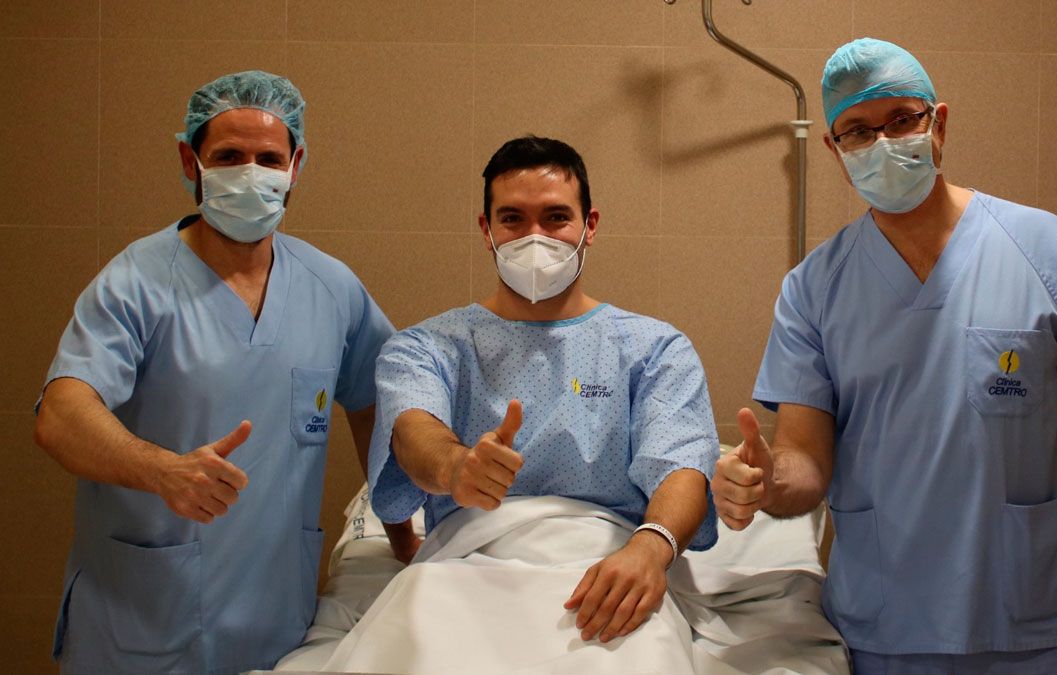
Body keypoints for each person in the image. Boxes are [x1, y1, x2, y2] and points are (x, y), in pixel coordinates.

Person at [712, 38, 1057, 675]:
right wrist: (764, 481)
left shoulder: (1046, 250)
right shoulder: (814, 288)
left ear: (938, 124)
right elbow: (805, 459)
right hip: (880, 628)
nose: (884, 143)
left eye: (902, 120)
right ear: (835, 152)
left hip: (1034, 622)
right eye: (859, 131)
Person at [33, 70, 419, 674]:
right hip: (141, 617)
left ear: (295, 166)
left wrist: (403, 539)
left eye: (268, 158)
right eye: (229, 156)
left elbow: (379, 405)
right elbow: (61, 416)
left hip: (275, 619)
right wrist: (163, 471)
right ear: (191, 162)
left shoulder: (331, 289)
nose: (250, 173)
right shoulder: (136, 283)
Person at [367, 135, 720, 644]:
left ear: (589, 226)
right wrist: (456, 467)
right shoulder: (426, 348)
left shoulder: (653, 348)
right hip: (464, 565)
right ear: (487, 231)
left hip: (612, 567)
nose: (535, 237)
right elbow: (412, 431)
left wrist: (651, 549)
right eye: (512, 219)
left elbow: (681, 466)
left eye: (555, 218)